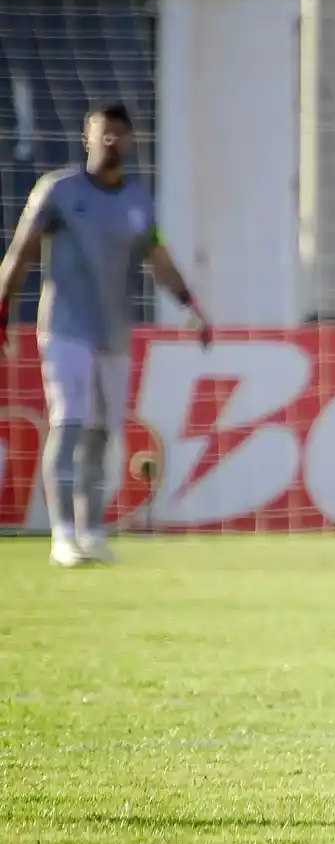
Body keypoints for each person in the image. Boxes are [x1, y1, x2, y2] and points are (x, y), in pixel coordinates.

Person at [0, 104, 211, 567]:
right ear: (86, 140)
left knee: (101, 435)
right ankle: (62, 535)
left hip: (114, 334)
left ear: (131, 141)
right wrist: (3, 306)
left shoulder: (138, 202)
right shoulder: (59, 191)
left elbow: (158, 257)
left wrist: (190, 306)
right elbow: (21, 251)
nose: (110, 141)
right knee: (68, 422)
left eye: (118, 134)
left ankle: (91, 531)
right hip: (64, 328)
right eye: (102, 134)